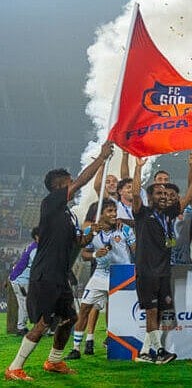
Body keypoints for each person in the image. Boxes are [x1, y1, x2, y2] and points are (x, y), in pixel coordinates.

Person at [4, 141, 113, 381]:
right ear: (59, 185)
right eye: (69, 181)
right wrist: (101, 158)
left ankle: (53, 361)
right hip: (46, 273)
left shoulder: (67, 215)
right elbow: (81, 182)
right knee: (44, 322)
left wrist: (92, 232)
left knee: (70, 318)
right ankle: (14, 367)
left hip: (60, 275)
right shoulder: (50, 202)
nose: (73, 183)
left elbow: (78, 243)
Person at [131, 154, 192, 364]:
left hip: (163, 271)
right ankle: (160, 351)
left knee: (160, 312)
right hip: (147, 271)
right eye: (158, 193)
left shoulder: (169, 215)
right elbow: (135, 193)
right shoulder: (142, 213)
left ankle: (145, 352)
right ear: (150, 197)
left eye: (165, 193)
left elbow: (188, 196)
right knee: (152, 311)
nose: (163, 196)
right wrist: (138, 168)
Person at [66, 199, 135, 360]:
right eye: (109, 211)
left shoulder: (124, 229)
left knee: (120, 312)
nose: (114, 214)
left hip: (121, 275)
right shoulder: (92, 230)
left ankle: (119, 345)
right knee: (85, 308)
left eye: (114, 211)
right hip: (100, 274)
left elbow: (135, 250)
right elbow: (84, 254)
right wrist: (95, 254)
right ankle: (76, 348)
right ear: (100, 214)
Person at [8, 228, 39, 336]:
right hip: (21, 280)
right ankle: (21, 327)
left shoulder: (32, 246)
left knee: (24, 304)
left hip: (18, 278)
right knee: (25, 304)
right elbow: (37, 265)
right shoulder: (35, 249)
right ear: (37, 236)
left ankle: (22, 326)